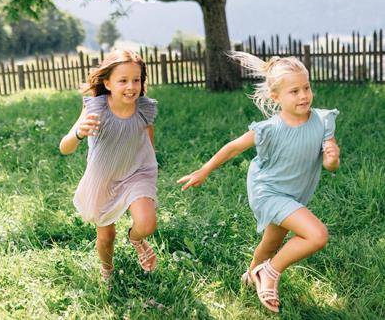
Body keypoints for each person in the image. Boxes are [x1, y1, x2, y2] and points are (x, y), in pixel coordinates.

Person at [178, 53, 340, 313]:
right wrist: (204, 170)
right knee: (317, 235)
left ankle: (251, 275)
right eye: (294, 91)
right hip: (268, 190)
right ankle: (270, 272)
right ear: (276, 97)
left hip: (293, 194)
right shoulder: (270, 128)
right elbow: (233, 148)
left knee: (272, 243)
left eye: (306, 88)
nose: (303, 96)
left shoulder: (322, 120)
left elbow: (331, 163)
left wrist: (331, 158)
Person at [59, 49, 158, 284]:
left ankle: (136, 239)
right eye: (123, 80)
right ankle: (108, 271)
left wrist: (150, 162)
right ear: (108, 82)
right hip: (103, 178)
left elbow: (146, 132)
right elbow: (65, 147)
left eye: (136, 79)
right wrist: (79, 133)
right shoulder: (96, 108)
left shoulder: (144, 107)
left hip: (137, 173)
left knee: (146, 223)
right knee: (106, 237)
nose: (131, 86)